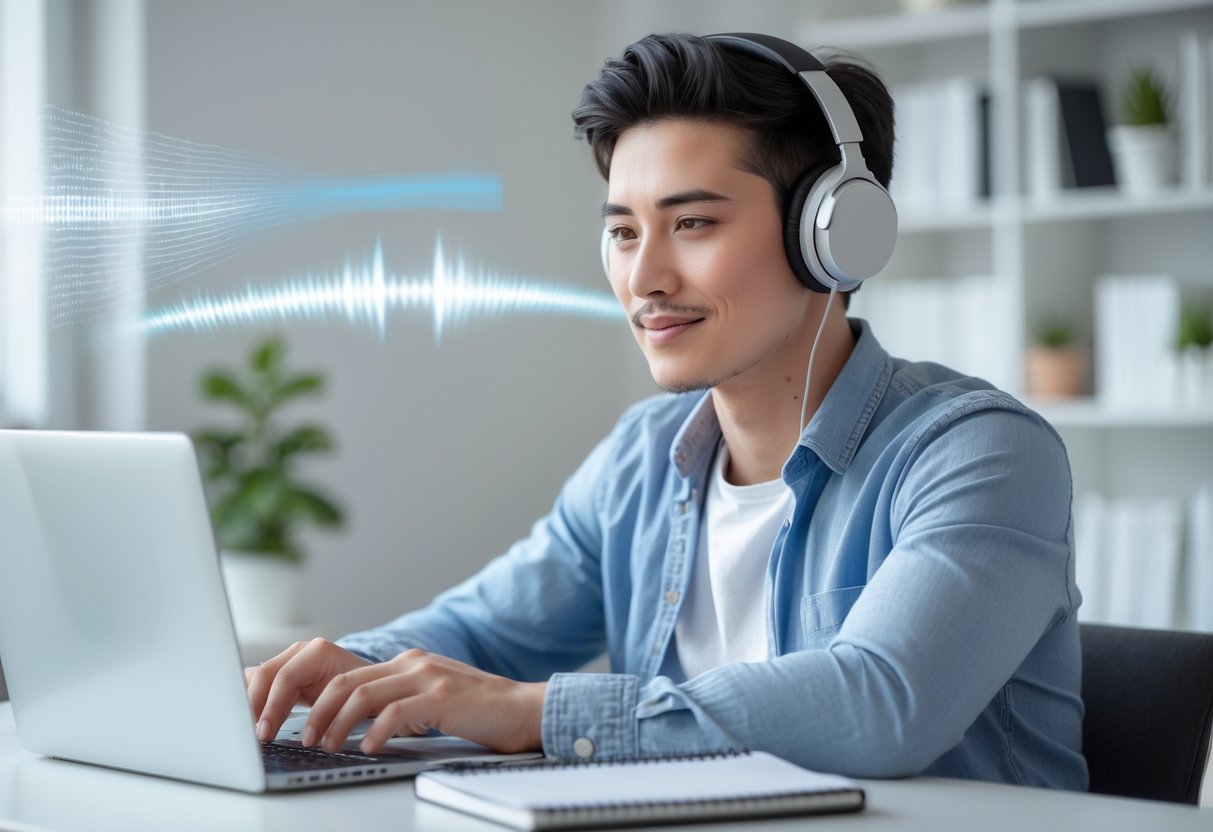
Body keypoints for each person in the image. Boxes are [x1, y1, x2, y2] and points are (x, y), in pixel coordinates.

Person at [245, 32, 1088, 789]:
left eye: (690, 223)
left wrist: (536, 714)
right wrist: (346, 668)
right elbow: (482, 632)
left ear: (831, 235)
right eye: (622, 232)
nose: (644, 278)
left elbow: (881, 704)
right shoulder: (643, 458)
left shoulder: (979, 453)